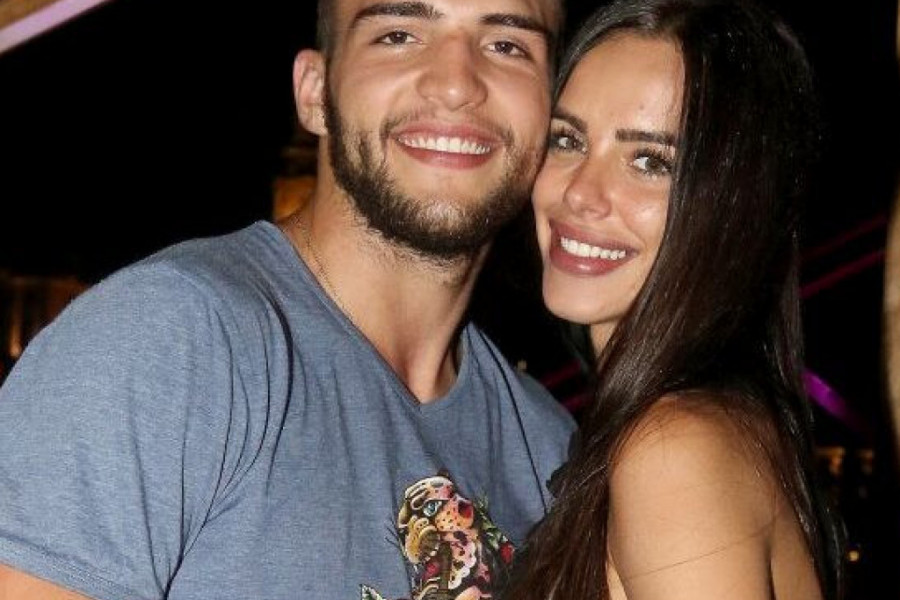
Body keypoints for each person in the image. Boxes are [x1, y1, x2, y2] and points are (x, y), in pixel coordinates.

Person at [0, 0, 575, 598]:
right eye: (398, 35)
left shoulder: (550, 452)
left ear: (551, 111)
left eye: (508, 46)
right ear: (314, 92)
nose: (456, 84)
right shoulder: (165, 342)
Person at [502, 0, 844, 598]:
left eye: (648, 161)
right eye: (567, 139)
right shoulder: (714, 425)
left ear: (732, 203)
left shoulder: (673, 452)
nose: (580, 193)